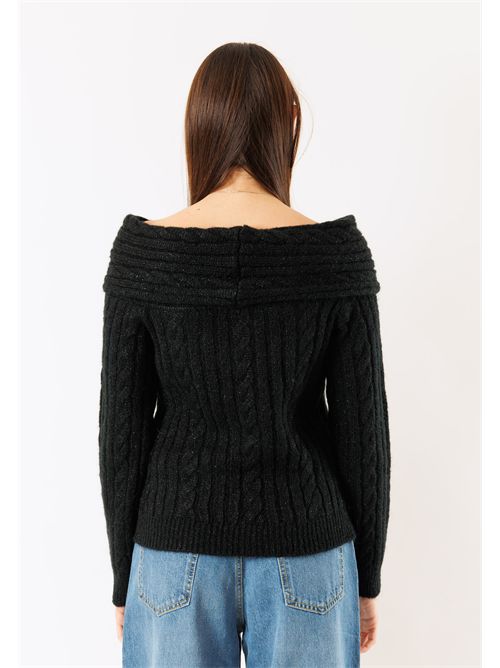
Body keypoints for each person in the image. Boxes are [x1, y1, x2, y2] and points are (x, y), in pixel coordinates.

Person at [98, 41, 391, 667]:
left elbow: (121, 439)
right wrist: (367, 579)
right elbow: (364, 436)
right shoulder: (336, 255)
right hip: (309, 552)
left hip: (171, 553)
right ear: (288, 123)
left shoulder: (144, 256)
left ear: (198, 126)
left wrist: (126, 577)